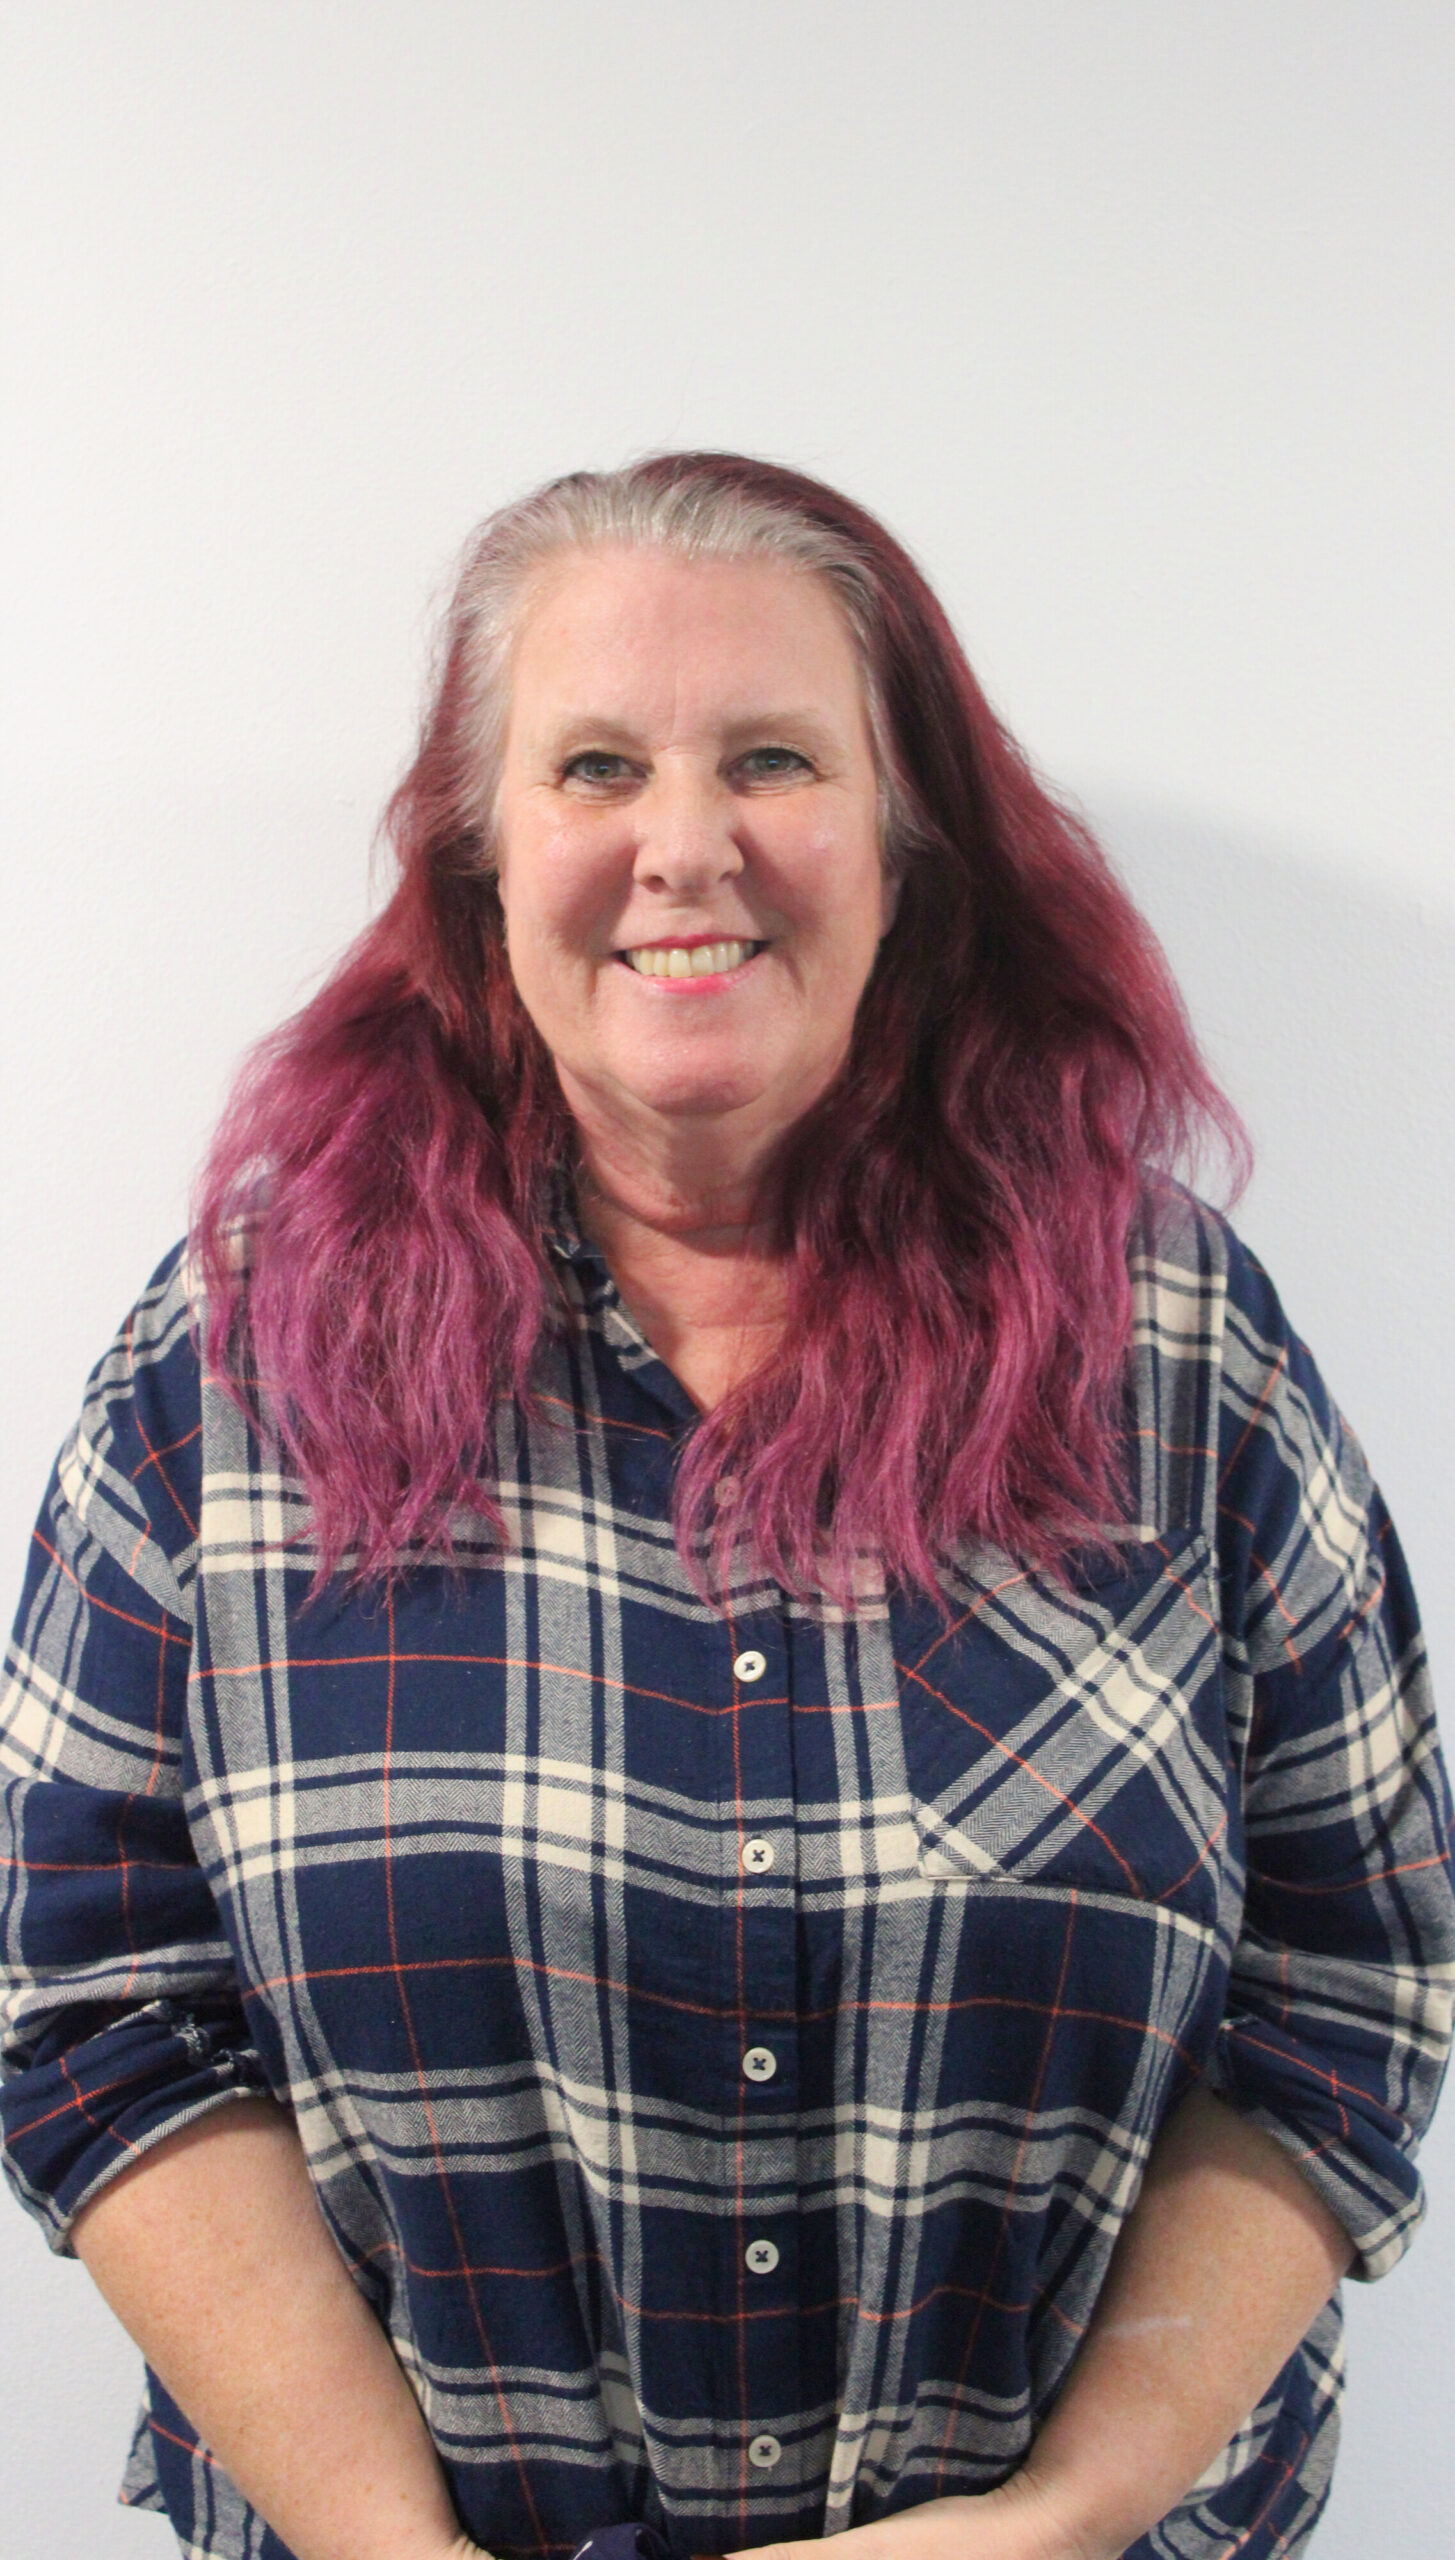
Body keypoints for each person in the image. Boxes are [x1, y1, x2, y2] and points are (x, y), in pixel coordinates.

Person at [1, 452, 1450, 2560]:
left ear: (903, 851)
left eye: (770, 756)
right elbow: (90, 1994)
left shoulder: (1175, 1350)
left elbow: (1352, 1971)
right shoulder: (240, 1357)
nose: (685, 845)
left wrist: (1065, 2512)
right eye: (595, 764)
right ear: (481, 860)